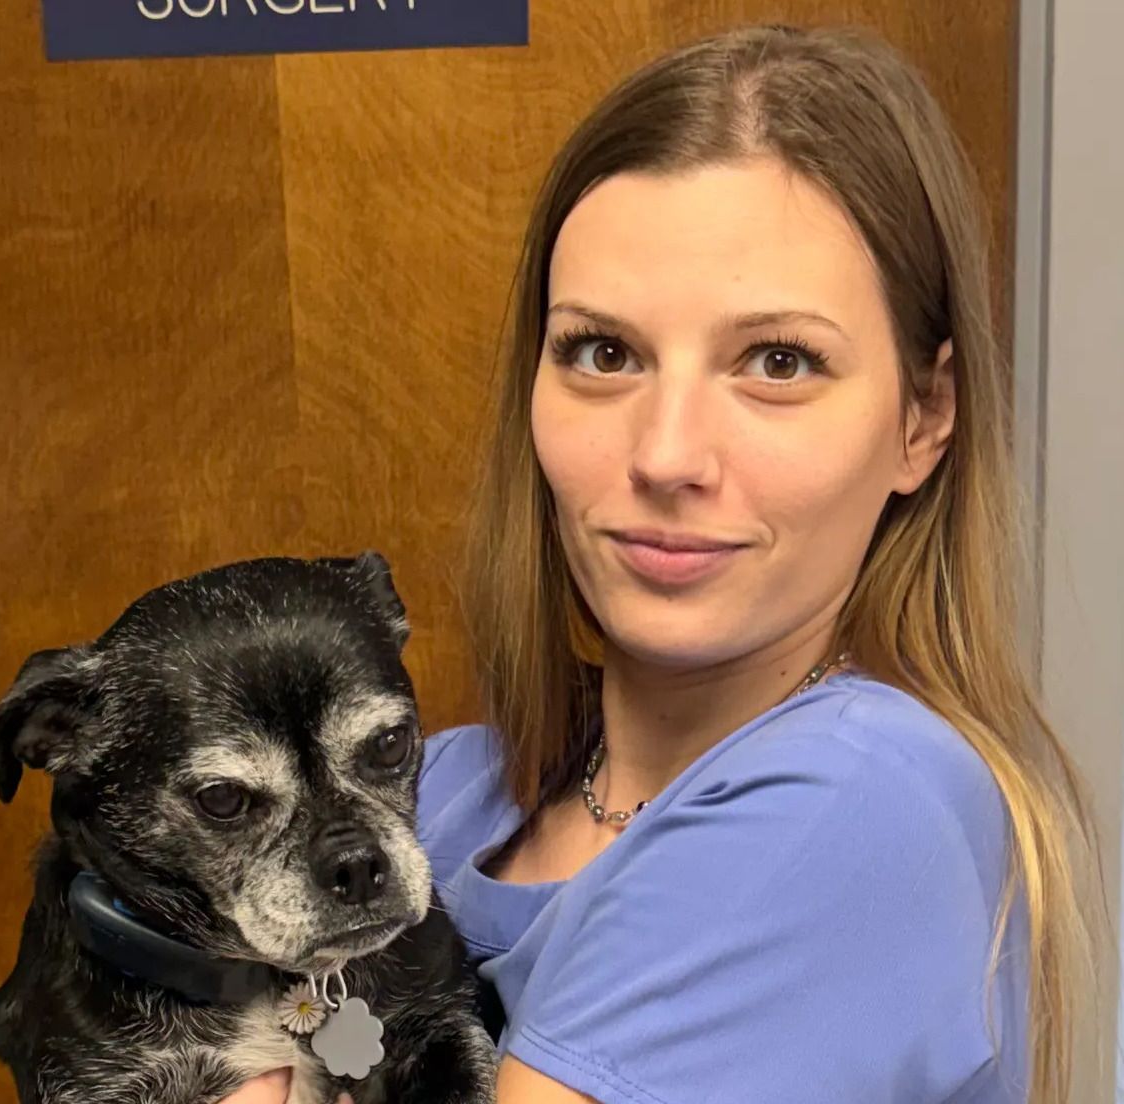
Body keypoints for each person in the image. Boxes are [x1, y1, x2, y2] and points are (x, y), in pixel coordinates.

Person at [222, 23, 1102, 1104]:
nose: (667, 454)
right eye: (603, 353)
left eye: (778, 361)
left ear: (923, 418)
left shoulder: (861, 800)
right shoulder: (437, 790)